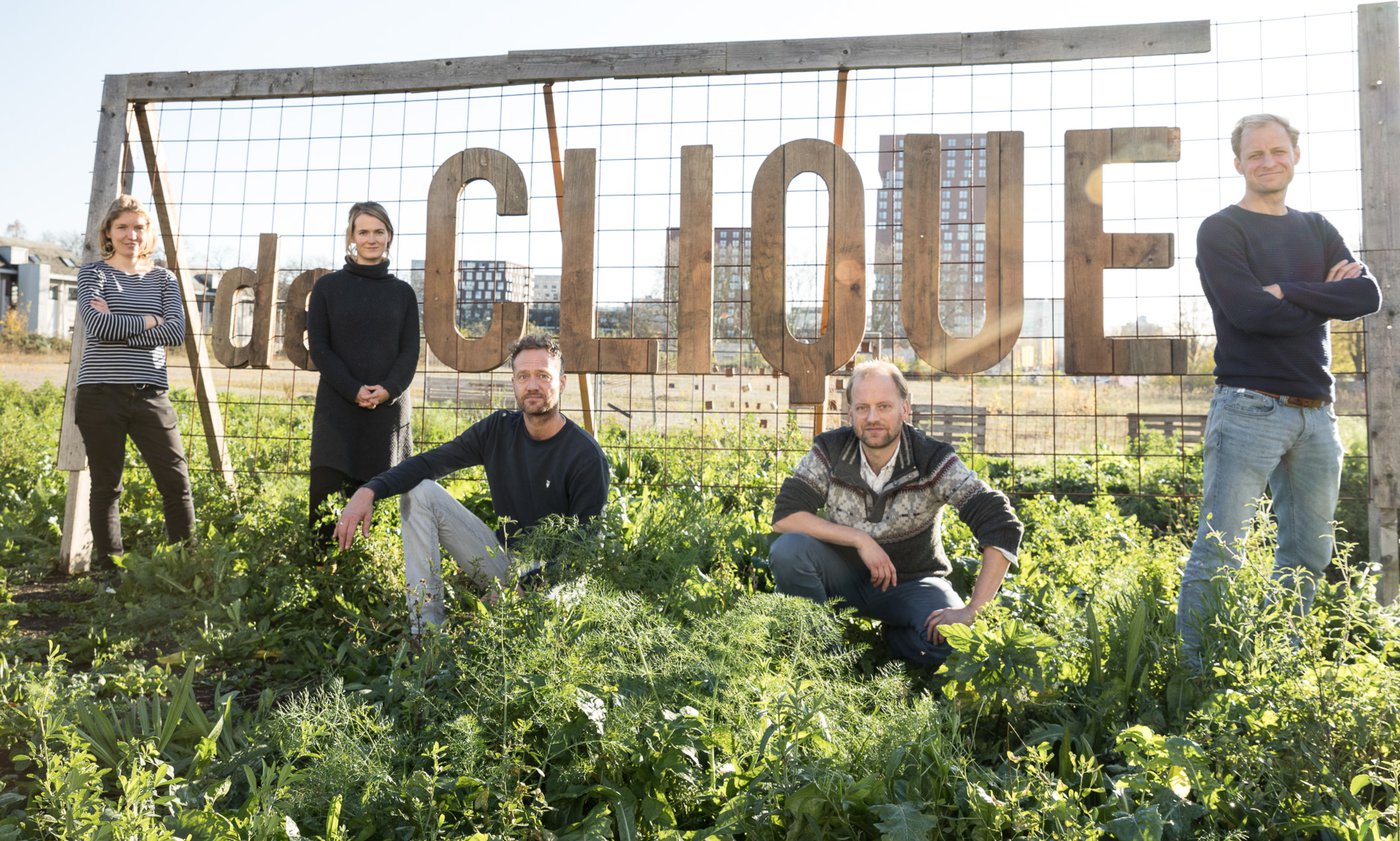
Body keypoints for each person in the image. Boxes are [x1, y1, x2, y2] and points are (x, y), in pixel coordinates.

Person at [1177, 114, 1381, 669]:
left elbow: (1366, 296)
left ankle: (1277, 668)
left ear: (1296, 153)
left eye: (1277, 150)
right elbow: (1248, 312)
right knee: (1221, 549)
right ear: (1238, 163)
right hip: (1248, 405)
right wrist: (1318, 298)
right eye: (1255, 154)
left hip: (1318, 414)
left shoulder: (1315, 227)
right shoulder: (1222, 230)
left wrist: (1287, 289)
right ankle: (1195, 677)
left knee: (1308, 552)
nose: (1268, 161)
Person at [334, 332, 610, 634]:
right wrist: (370, 489)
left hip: (556, 581)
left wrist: (520, 590)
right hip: (506, 561)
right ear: (514, 382)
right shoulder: (498, 430)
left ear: (561, 382)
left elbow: (584, 552)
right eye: (523, 376)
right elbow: (429, 463)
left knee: (535, 633)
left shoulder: (585, 456)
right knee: (419, 491)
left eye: (543, 375)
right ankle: (426, 634)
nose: (532, 385)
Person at [769, 359, 1023, 665]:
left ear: (905, 409)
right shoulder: (830, 450)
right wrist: (860, 540)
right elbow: (786, 515)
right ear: (849, 413)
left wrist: (972, 611)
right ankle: (821, 658)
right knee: (788, 550)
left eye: (884, 406)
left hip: (913, 582)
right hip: (842, 577)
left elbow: (1000, 523)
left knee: (953, 646)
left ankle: (897, 638)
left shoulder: (932, 459)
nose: (872, 418)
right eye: (862, 408)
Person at [73, 195, 194, 569]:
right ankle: (111, 572)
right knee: (107, 486)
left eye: (138, 227)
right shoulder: (93, 274)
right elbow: (98, 326)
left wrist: (127, 326)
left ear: (148, 233)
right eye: (122, 227)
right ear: (108, 232)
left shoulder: (163, 278)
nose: (131, 235)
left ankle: (184, 566)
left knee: (175, 482)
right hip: (99, 395)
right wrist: (149, 321)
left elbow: (176, 332)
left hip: (150, 394)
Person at [306, 201, 420, 539]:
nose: (371, 239)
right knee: (323, 519)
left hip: (387, 416)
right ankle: (323, 583)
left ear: (389, 236)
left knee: (380, 521)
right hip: (337, 411)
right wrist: (353, 389)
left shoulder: (403, 293)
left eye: (378, 231)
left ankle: (372, 584)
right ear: (351, 237)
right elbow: (320, 348)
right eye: (363, 231)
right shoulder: (328, 288)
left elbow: (409, 352)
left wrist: (388, 390)